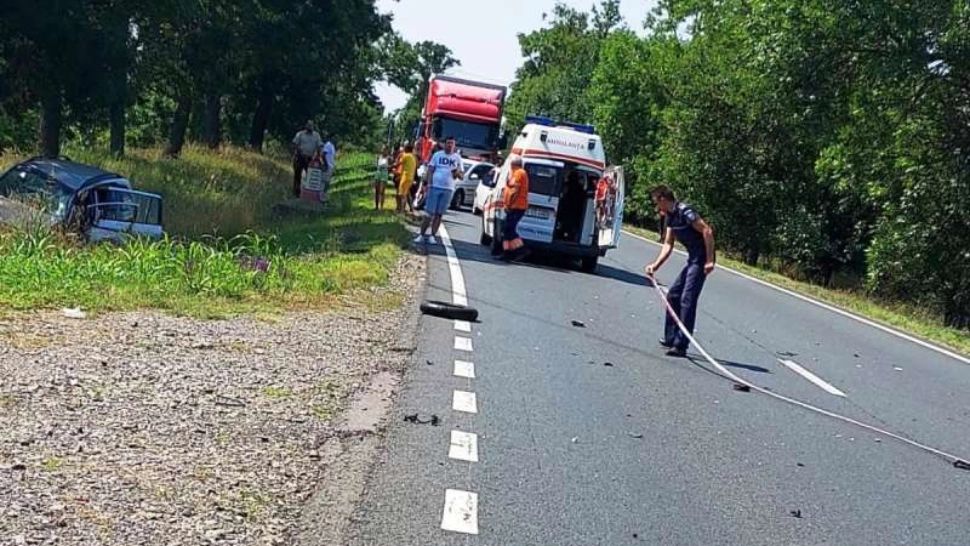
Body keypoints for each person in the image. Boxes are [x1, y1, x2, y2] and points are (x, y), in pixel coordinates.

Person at [644, 185, 716, 358]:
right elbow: (668, 244)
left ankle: (681, 345)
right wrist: (655, 265)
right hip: (692, 259)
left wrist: (710, 260)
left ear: (663, 199)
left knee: (687, 299)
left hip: (701, 259)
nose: (656, 206)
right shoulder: (670, 217)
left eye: (656, 202)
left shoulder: (685, 212)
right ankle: (671, 337)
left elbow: (707, 231)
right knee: (673, 296)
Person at [413, 136, 462, 245]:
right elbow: (430, 170)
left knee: (439, 214)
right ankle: (421, 234)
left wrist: (457, 172)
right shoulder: (437, 155)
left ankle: (432, 236)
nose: (450, 145)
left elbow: (461, 176)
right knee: (428, 213)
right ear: (444, 144)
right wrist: (429, 184)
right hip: (435, 187)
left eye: (452, 144)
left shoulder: (457, 158)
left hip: (448, 188)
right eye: (448, 143)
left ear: (454, 146)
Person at [500, 155, 530, 261]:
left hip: (516, 206)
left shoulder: (519, 173)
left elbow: (515, 191)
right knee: (507, 229)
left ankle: (521, 249)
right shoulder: (517, 173)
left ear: (514, 165)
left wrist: (509, 204)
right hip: (515, 206)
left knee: (509, 228)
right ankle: (507, 252)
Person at [291, 121, 322, 197]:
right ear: (306, 126)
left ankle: (308, 193)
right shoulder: (300, 134)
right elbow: (295, 144)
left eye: (311, 126)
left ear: (313, 127)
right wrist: (298, 151)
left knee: (310, 175)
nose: (310, 127)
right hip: (300, 157)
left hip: (310, 158)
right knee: (297, 175)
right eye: (308, 126)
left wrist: (318, 156)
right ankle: (296, 192)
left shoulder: (316, 135)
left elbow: (319, 146)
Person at [396, 143, 417, 213]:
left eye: (405, 148)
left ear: (407, 149)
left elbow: (398, 164)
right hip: (411, 177)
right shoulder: (413, 157)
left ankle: (401, 211)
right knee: (407, 193)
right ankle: (411, 208)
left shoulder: (406, 156)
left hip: (405, 177)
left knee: (402, 195)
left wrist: (389, 167)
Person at [319, 134, 336, 198]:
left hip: (331, 166)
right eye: (334, 138)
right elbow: (323, 154)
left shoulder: (332, 146)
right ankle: (321, 195)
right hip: (327, 165)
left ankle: (323, 194)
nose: (335, 139)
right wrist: (325, 164)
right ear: (331, 138)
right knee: (324, 181)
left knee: (328, 181)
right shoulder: (328, 145)